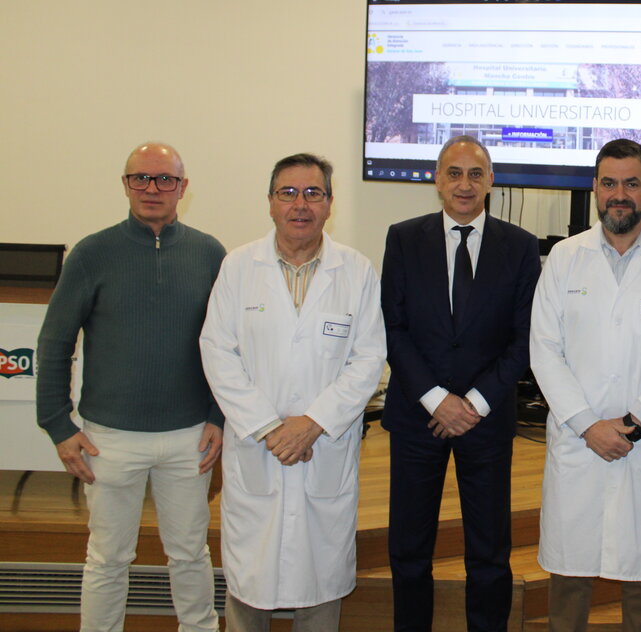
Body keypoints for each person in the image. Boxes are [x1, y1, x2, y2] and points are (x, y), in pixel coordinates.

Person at [35, 141, 224, 632]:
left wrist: (218, 416)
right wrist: (58, 425)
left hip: (189, 437)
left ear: (183, 187)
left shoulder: (209, 254)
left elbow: (230, 345)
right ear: (125, 184)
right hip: (109, 439)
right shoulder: (91, 253)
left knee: (190, 553)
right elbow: (54, 343)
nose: (151, 188)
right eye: (140, 177)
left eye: (165, 179)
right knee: (107, 557)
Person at [199, 153, 387, 631]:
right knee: (250, 585)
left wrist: (314, 423)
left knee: (318, 585)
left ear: (329, 204)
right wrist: (268, 427)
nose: (300, 204)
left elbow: (368, 359)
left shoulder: (356, 271)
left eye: (312, 193)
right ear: (270, 202)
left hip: (323, 448)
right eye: (288, 193)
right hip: (257, 449)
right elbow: (217, 352)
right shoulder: (239, 267)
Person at [530, 138, 641, 632]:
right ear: (595, 188)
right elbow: (544, 350)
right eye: (609, 183)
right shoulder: (565, 257)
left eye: (631, 183)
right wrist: (588, 425)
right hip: (578, 442)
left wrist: (633, 422)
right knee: (569, 579)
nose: (619, 194)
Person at [380, 135, 540, 632]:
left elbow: (525, 338)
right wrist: (436, 400)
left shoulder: (520, 246)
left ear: (491, 180)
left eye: (475, 174)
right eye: (454, 173)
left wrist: (472, 403)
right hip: (417, 418)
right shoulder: (403, 238)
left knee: (489, 553)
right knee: (409, 551)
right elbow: (392, 328)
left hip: (485, 422)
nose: (464, 184)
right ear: (436, 180)